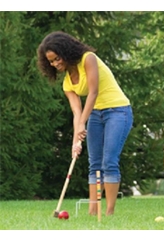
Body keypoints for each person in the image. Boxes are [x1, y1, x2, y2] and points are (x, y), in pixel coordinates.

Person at [37, 31, 133, 215]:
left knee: (109, 162)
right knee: (94, 163)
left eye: (57, 58)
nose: (55, 64)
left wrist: (82, 123)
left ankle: (110, 212)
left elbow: (93, 92)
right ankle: (92, 212)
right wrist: (76, 140)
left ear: (65, 52)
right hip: (95, 114)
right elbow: (77, 113)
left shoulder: (88, 59)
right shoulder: (67, 83)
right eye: (51, 61)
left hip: (118, 111)